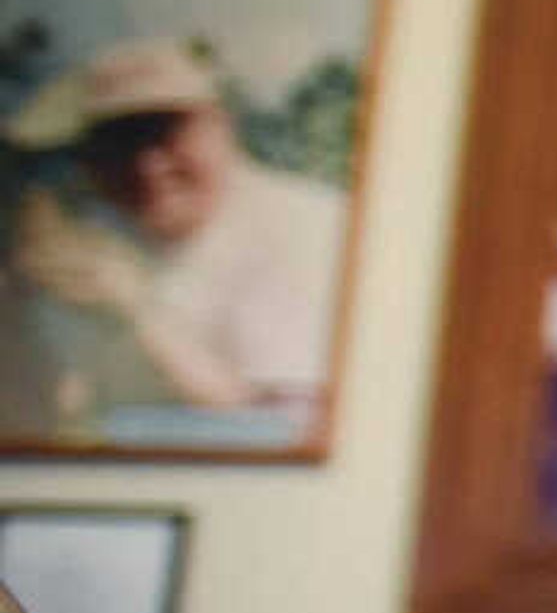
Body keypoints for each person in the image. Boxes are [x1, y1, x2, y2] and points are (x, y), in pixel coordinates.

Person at [4, 34, 348, 438]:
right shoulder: (96, 233)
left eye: (165, 132)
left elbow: (282, 437)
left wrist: (139, 311)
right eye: (119, 141)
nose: (147, 165)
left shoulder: (304, 226)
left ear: (222, 126)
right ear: (90, 161)